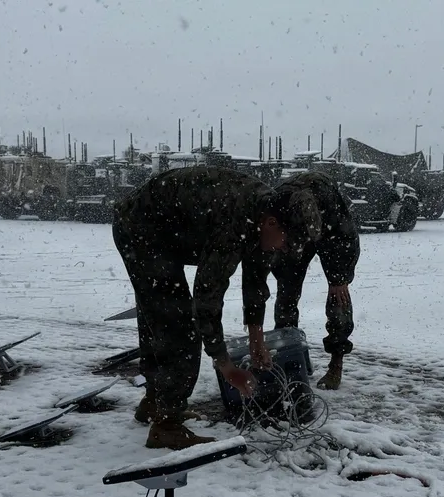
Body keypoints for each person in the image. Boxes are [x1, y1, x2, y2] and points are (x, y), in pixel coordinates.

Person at [112, 165, 318, 450]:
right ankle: (166, 425)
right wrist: (225, 365)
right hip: (140, 229)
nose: (283, 250)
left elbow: (256, 284)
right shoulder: (235, 222)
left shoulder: (267, 214)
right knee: (176, 324)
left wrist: (257, 341)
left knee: (160, 316)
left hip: (166, 230)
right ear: (271, 223)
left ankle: (155, 402)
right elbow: (206, 301)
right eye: (286, 243)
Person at [270, 170, 361, 390]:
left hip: (332, 237)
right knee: (286, 295)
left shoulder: (331, 209)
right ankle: (289, 356)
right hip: (291, 228)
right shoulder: (275, 204)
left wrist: (339, 278)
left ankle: (336, 362)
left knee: (338, 296)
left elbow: (347, 241)